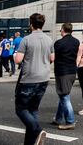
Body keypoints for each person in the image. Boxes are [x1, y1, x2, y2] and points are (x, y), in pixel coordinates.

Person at [14, 13, 55, 145]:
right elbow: (52, 59)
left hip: (29, 78)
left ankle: (37, 130)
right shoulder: (49, 40)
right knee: (33, 109)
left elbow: (18, 60)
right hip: (43, 78)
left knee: (21, 109)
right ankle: (31, 142)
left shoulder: (26, 39)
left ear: (31, 24)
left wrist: (15, 55)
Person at [53, 22, 79, 130]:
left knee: (64, 96)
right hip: (72, 71)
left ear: (63, 30)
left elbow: (55, 57)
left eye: (60, 29)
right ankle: (58, 118)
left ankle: (70, 121)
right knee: (63, 94)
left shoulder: (58, 43)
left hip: (62, 72)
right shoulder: (76, 41)